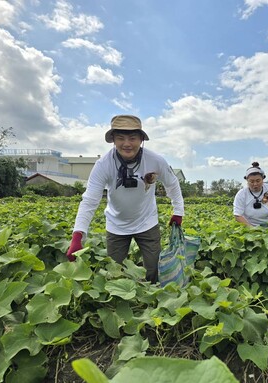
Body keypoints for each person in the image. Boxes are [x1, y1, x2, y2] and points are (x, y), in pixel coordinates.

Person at [66, 114, 184, 283]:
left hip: (147, 222)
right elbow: (90, 201)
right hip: (116, 224)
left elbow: (172, 184)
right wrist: (78, 236)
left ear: (141, 139)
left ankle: (152, 302)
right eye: (120, 138)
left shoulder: (155, 160)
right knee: (114, 273)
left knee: (154, 269)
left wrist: (178, 211)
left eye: (132, 138)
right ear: (113, 139)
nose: (127, 144)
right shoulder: (103, 165)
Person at [233, 162, 268, 227]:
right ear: (247, 181)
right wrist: (252, 229)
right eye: (251, 181)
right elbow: (237, 215)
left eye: (258, 181)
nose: (255, 184)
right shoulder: (241, 194)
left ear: (263, 179)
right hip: (249, 226)